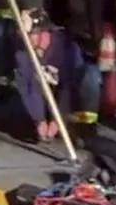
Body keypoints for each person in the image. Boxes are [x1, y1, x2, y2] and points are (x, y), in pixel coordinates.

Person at [13, 9, 82, 143]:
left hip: (63, 91)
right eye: (24, 35)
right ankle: (38, 121)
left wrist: (58, 120)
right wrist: (39, 120)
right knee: (33, 83)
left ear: (43, 33)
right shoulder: (22, 53)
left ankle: (75, 127)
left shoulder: (64, 48)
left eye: (30, 35)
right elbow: (26, 86)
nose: (26, 39)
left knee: (85, 81)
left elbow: (68, 86)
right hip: (41, 93)